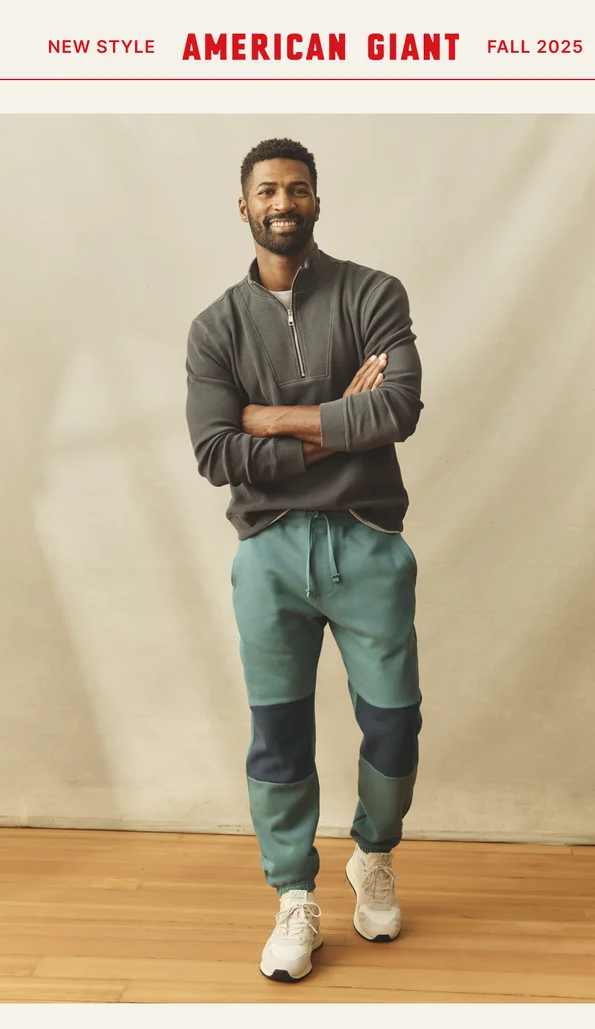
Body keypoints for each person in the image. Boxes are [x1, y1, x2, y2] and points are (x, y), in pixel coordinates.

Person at [185, 138, 423, 982]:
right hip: (269, 551)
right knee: (278, 733)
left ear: (317, 201)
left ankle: (374, 853)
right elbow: (217, 452)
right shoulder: (216, 327)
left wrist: (275, 418)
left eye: (296, 189)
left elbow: (398, 408)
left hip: (367, 537)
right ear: (243, 207)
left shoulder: (373, 294)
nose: (282, 202)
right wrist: (333, 424)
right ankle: (293, 894)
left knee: (394, 723)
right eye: (266, 191)